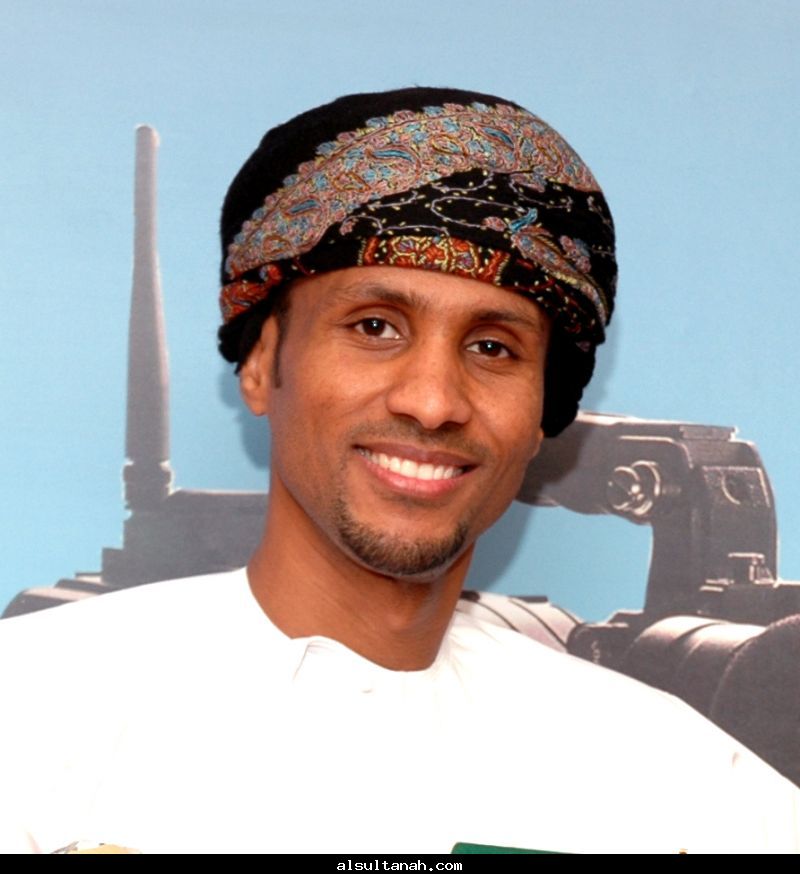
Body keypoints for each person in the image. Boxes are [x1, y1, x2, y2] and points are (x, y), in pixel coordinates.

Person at [1, 87, 798, 854]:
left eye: (493, 347)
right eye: (375, 326)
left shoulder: (688, 793)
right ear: (261, 364)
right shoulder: (30, 715)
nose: (433, 400)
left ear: (542, 417)